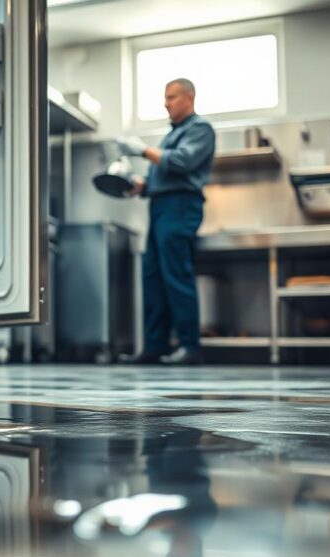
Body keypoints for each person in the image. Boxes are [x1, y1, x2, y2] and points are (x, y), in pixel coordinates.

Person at [116, 78, 215, 366]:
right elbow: (163, 173)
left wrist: (143, 150)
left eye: (171, 97)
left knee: (176, 274)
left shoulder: (199, 128)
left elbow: (182, 162)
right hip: (160, 207)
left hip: (180, 206)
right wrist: (141, 185)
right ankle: (155, 346)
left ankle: (189, 347)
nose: (166, 103)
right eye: (165, 97)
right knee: (153, 277)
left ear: (189, 97)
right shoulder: (172, 135)